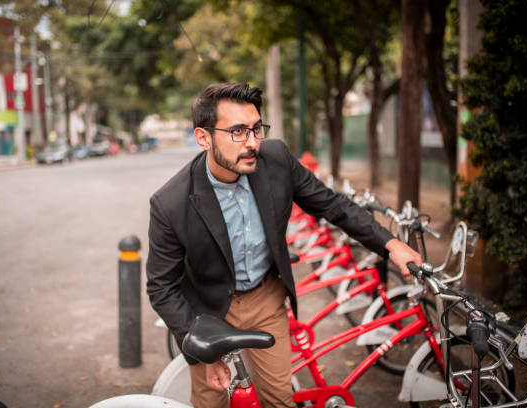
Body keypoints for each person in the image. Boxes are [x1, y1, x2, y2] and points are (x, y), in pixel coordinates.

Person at [146, 82, 421, 408]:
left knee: (279, 400)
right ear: (204, 137)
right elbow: (161, 286)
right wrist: (201, 347)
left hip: (265, 297)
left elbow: (334, 206)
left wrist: (391, 244)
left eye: (256, 129)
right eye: (237, 132)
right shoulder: (170, 202)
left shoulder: (275, 159)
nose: (252, 143)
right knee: (213, 401)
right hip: (208, 309)